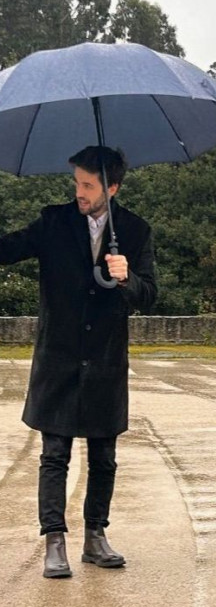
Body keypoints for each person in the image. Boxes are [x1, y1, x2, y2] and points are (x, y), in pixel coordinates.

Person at [0, 146, 157, 578]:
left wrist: (127, 278)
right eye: (76, 183)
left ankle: (95, 536)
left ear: (112, 187)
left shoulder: (136, 231)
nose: (79, 192)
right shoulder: (54, 222)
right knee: (54, 454)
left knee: (104, 456)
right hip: (59, 358)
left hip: (106, 361)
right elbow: (7, 248)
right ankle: (54, 540)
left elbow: (149, 295)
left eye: (88, 185)